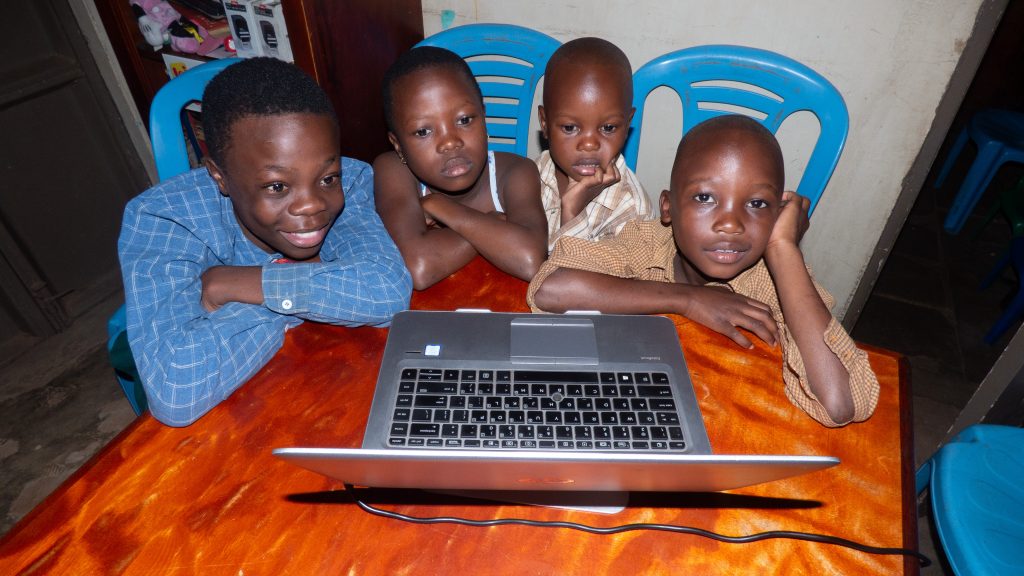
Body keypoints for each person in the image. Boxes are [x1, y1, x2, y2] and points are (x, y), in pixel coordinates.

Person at [528, 115, 879, 427]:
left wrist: (784, 250)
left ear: (777, 217)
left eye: (757, 204)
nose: (730, 223)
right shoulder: (647, 241)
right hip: (638, 412)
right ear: (668, 207)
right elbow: (550, 290)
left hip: (732, 424)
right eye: (705, 198)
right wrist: (689, 300)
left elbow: (840, 403)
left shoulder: (773, 281)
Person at [118, 57, 412, 426]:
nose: (312, 205)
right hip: (228, 425)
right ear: (218, 177)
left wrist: (237, 284)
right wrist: (303, 287)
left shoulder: (350, 181)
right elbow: (176, 388)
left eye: (326, 178)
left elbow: (387, 291)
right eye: (277, 186)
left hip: (305, 394)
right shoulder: (161, 220)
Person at [374, 46, 548, 289]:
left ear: (483, 116)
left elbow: (530, 260)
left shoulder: (516, 172)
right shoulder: (393, 171)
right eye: (424, 131)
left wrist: (439, 206)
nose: (450, 142)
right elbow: (419, 268)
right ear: (398, 146)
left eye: (464, 120)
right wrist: (493, 223)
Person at [536, 37, 654, 252]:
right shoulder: (532, 173)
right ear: (544, 123)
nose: (589, 144)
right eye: (570, 128)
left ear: (627, 125)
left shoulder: (633, 211)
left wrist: (572, 214)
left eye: (608, 128)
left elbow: (566, 283)